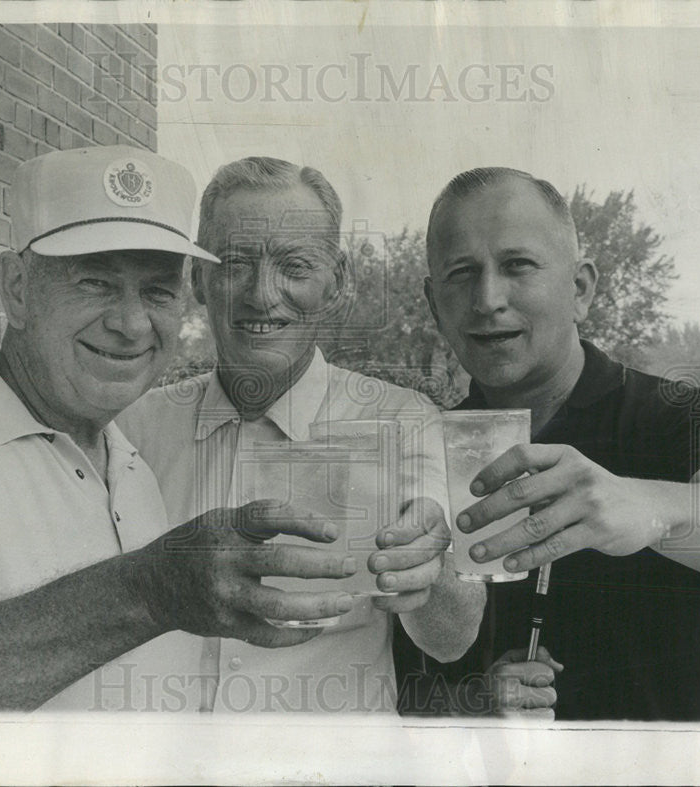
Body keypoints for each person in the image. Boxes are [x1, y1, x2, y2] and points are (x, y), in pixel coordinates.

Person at [0, 145, 362, 711]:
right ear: (16, 288)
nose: (131, 324)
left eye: (157, 291)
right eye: (94, 282)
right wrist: (146, 590)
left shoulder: (128, 453)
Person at [117, 157, 491, 713]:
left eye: (294, 266)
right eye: (236, 263)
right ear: (197, 278)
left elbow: (450, 639)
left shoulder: (404, 422)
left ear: (336, 281)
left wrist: (428, 574)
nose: (262, 295)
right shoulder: (131, 428)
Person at [419, 166, 700, 721]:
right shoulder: (425, 451)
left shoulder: (678, 413)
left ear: (580, 288)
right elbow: (404, 673)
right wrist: (474, 701)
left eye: (517, 266)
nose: (487, 299)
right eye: (461, 273)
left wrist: (651, 507)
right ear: (434, 303)